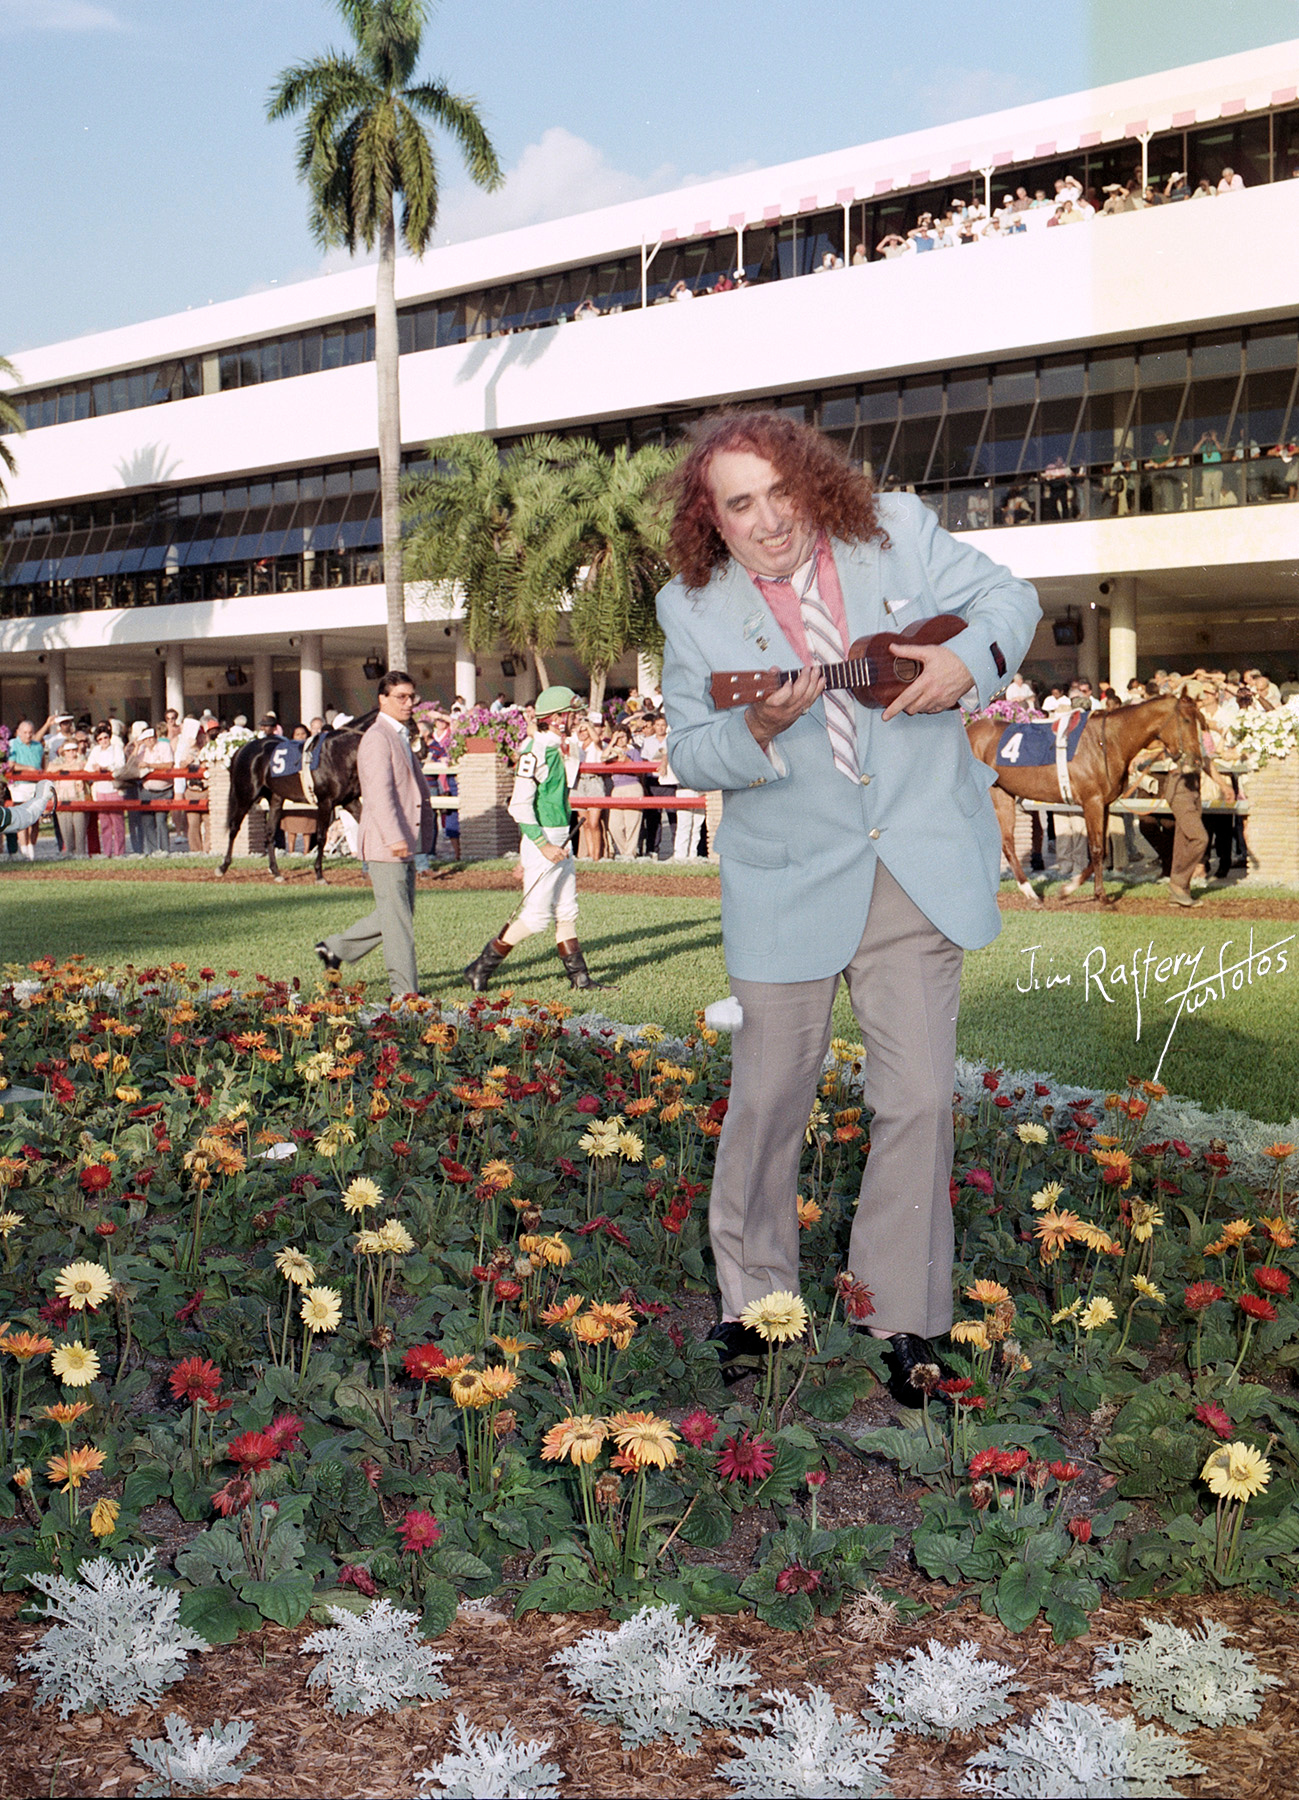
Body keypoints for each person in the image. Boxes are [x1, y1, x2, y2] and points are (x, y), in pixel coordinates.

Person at [656, 410, 1039, 1399]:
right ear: (714, 520)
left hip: (914, 870)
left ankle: (901, 1317)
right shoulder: (689, 609)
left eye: (782, 491)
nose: (770, 519)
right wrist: (756, 725)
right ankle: (756, 1307)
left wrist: (970, 662)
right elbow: (691, 750)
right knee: (770, 1101)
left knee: (915, 1101)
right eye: (742, 504)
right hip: (785, 880)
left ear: (812, 482)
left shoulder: (900, 529)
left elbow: (1010, 597)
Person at [462, 686, 605, 992]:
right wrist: (542, 846)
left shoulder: (557, 748)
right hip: (545, 839)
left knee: (567, 909)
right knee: (538, 917)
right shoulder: (535, 752)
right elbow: (519, 805)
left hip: (559, 836)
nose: (574, 719)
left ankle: (580, 978)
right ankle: (479, 968)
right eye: (570, 714)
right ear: (555, 718)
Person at [314, 671, 433, 1000]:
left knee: (397, 914)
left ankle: (334, 948)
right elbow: (378, 795)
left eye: (412, 697)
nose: (409, 703)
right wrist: (395, 837)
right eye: (401, 697)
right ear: (382, 699)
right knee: (399, 923)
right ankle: (404, 994)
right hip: (388, 842)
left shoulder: (397, 734)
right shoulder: (378, 737)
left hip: (403, 840)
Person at [5, 720, 46, 859]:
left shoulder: (38, 746)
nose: (28, 735)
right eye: (25, 732)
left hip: (35, 784)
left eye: (30, 733)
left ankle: (32, 849)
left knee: (35, 819)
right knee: (22, 819)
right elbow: (11, 764)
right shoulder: (13, 745)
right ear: (18, 732)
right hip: (20, 784)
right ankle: (23, 851)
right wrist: (28, 769)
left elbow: (42, 764)